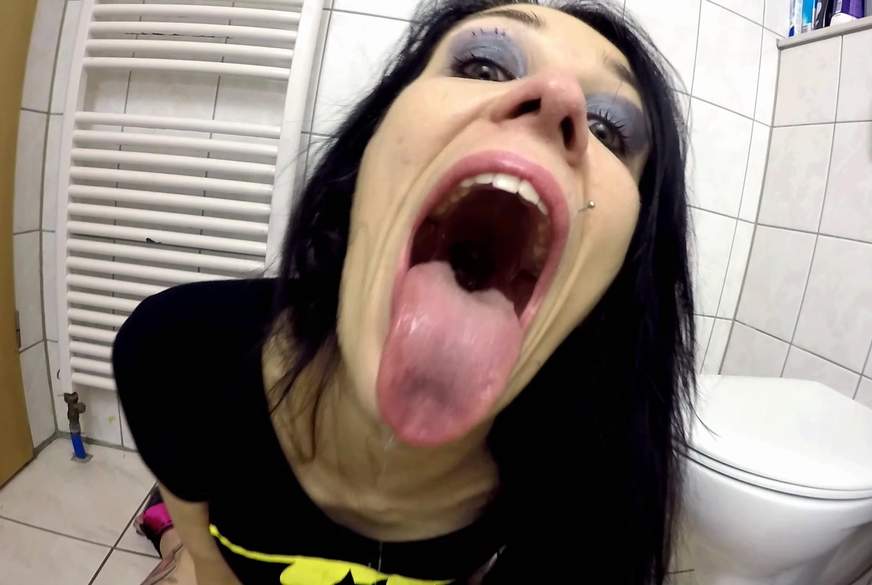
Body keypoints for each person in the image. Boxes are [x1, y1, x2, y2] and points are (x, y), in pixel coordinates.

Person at [113, 1, 696, 583]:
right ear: (368, 156)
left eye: (608, 130)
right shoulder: (176, 351)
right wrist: (195, 554)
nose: (558, 98)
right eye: (483, 66)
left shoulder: (580, 476)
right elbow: (211, 566)